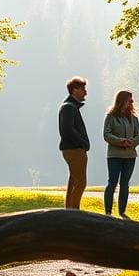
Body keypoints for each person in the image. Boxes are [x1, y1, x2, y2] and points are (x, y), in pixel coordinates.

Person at [103, 90, 139, 217]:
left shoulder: (133, 118)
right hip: (114, 155)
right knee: (112, 182)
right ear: (122, 100)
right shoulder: (110, 116)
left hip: (130, 155)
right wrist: (121, 142)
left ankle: (122, 211)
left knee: (125, 183)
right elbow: (107, 135)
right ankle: (108, 211)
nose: (131, 102)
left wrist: (132, 142)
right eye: (129, 100)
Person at [58, 76, 90, 209]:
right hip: (74, 149)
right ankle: (75, 212)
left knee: (73, 182)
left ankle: (69, 212)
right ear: (75, 90)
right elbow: (67, 129)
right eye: (83, 89)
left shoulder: (70, 106)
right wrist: (83, 143)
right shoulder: (69, 107)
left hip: (73, 149)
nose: (85, 92)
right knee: (80, 183)